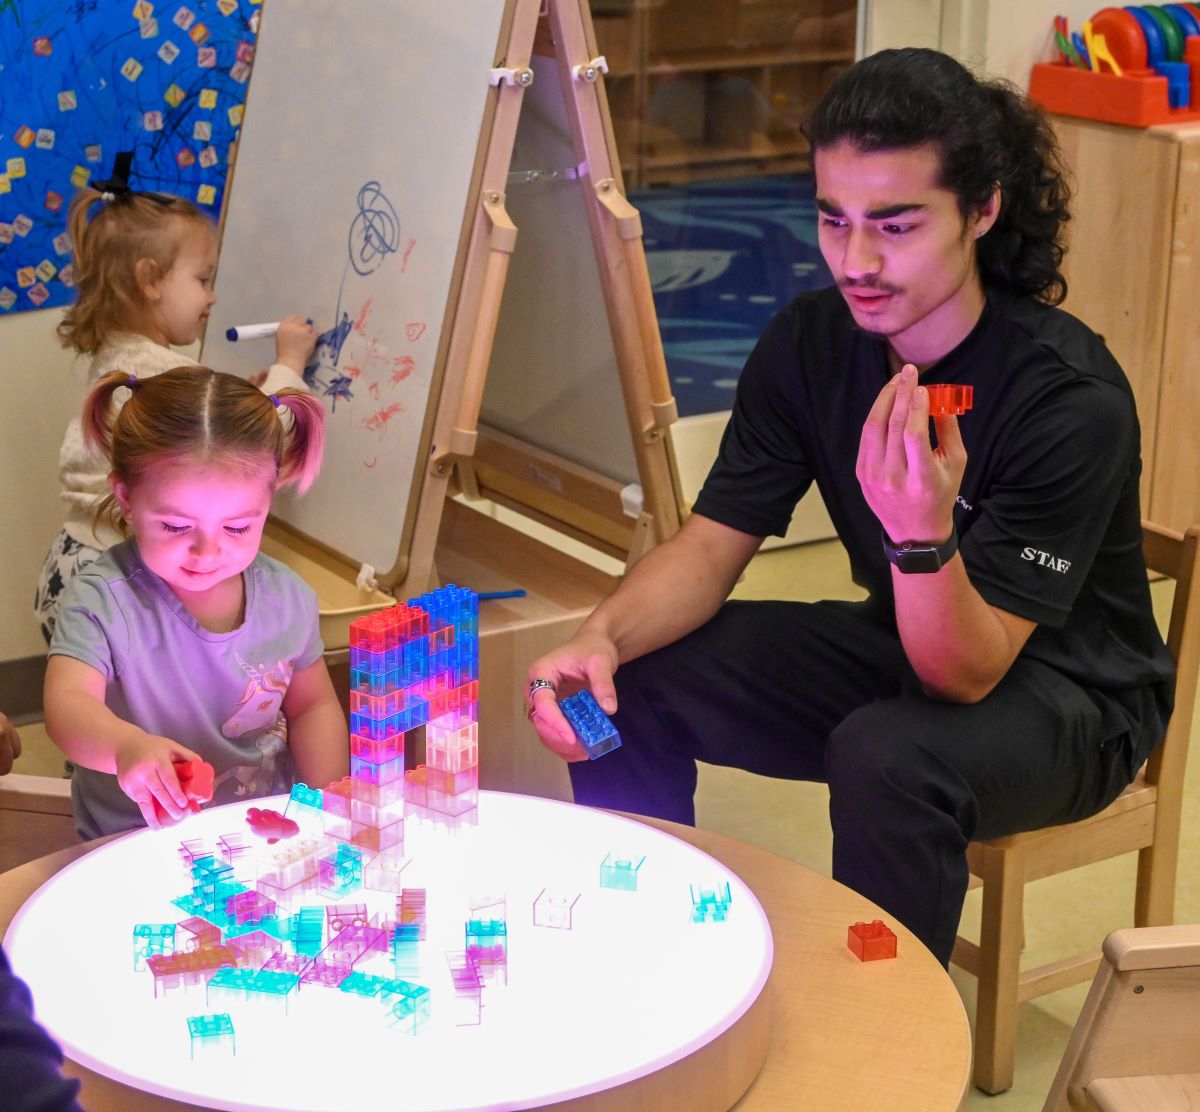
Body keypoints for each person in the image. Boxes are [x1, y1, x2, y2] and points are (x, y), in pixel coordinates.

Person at [525, 48, 1174, 967]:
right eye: (835, 219)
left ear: (982, 211)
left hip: (1074, 701)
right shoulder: (812, 342)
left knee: (892, 758)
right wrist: (603, 639)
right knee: (638, 678)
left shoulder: (1069, 398)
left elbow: (969, 677)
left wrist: (921, 538)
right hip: (913, 639)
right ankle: (643, 956)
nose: (856, 260)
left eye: (897, 226)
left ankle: (888, 1049)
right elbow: (712, 545)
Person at [43, 366, 349, 839]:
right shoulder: (102, 600)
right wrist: (126, 747)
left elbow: (312, 709)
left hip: (258, 835)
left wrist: (326, 810)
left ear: (267, 505)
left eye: (237, 527)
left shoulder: (288, 599)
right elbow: (67, 707)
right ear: (126, 498)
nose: (208, 552)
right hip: (133, 841)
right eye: (176, 526)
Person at [34, 160, 317, 643]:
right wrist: (289, 364)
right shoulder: (169, 375)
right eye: (203, 280)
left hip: (67, 566)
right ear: (151, 279)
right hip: (116, 589)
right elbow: (265, 438)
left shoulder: (117, 357)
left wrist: (245, 396)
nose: (212, 298)